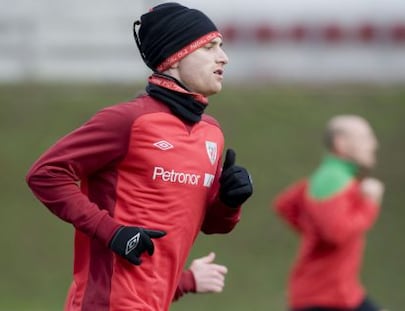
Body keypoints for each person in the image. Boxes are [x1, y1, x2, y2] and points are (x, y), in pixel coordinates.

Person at [26, 3, 253, 311]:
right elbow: (45, 174)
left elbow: (213, 224)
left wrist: (230, 201)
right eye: (210, 47)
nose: (223, 57)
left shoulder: (211, 133)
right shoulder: (128, 120)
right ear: (175, 58)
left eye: (222, 47)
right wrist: (113, 232)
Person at [273, 115, 386, 311]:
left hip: (342, 293)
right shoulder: (333, 178)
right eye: (365, 137)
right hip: (323, 297)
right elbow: (336, 233)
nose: (374, 144)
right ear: (340, 143)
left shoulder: (332, 175)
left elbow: (285, 204)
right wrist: (369, 203)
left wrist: (312, 229)